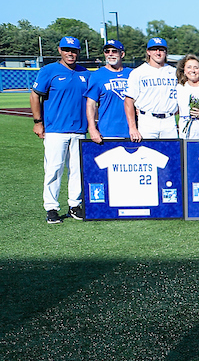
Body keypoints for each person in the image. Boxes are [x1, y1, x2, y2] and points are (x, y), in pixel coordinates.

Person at [31, 36, 88, 223]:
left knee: (77, 170)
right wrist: (38, 121)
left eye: (73, 50)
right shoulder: (49, 70)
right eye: (66, 50)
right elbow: (35, 96)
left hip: (79, 129)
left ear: (78, 52)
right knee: (54, 169)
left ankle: (74, 205)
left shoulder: (85, 73)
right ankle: (51, 208)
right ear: (59, 50)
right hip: (55, 130)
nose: (70, 54)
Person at [124, 37, 179, 140]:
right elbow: (128, 101)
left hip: (169, 120)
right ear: (148, 52)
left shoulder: (174, 72)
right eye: (154, 49)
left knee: (172, 153)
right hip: (147, 120)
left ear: (166, 52)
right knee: (146, 154)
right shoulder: (138, 72)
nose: (158, 53)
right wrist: (132, 127)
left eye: (161, 49)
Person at [86, 39, 132, 142]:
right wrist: (92, 128)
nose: (110, 54)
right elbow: (91, 104)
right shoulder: (97, 75)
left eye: (114, 51)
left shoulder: (132, 74)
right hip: (107, 131)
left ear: (122, 54)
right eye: (107, 51)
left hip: (131, 131)